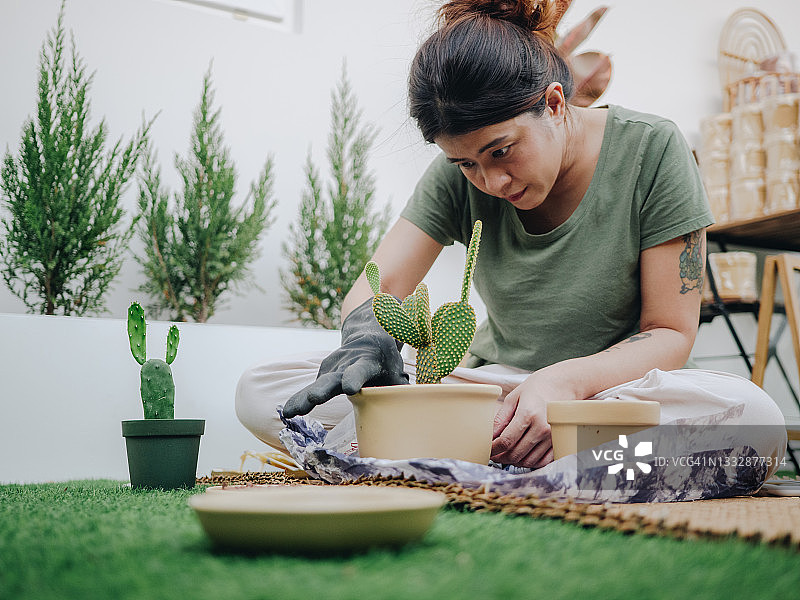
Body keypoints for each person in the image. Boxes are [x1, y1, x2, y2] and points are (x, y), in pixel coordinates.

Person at [236, 0, 786, 474]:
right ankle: (542, 462)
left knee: (756, 419)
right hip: (491, 392)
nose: (491, 182)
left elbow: (670, 331)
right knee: (260, 388)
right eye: (466, 163)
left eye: (501, 151)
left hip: (602, 397)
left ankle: (450, 459)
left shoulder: (652, 148)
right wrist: (365, 340)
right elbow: (377, 284)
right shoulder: (459, 176)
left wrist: (561, 385)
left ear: (555, 103)